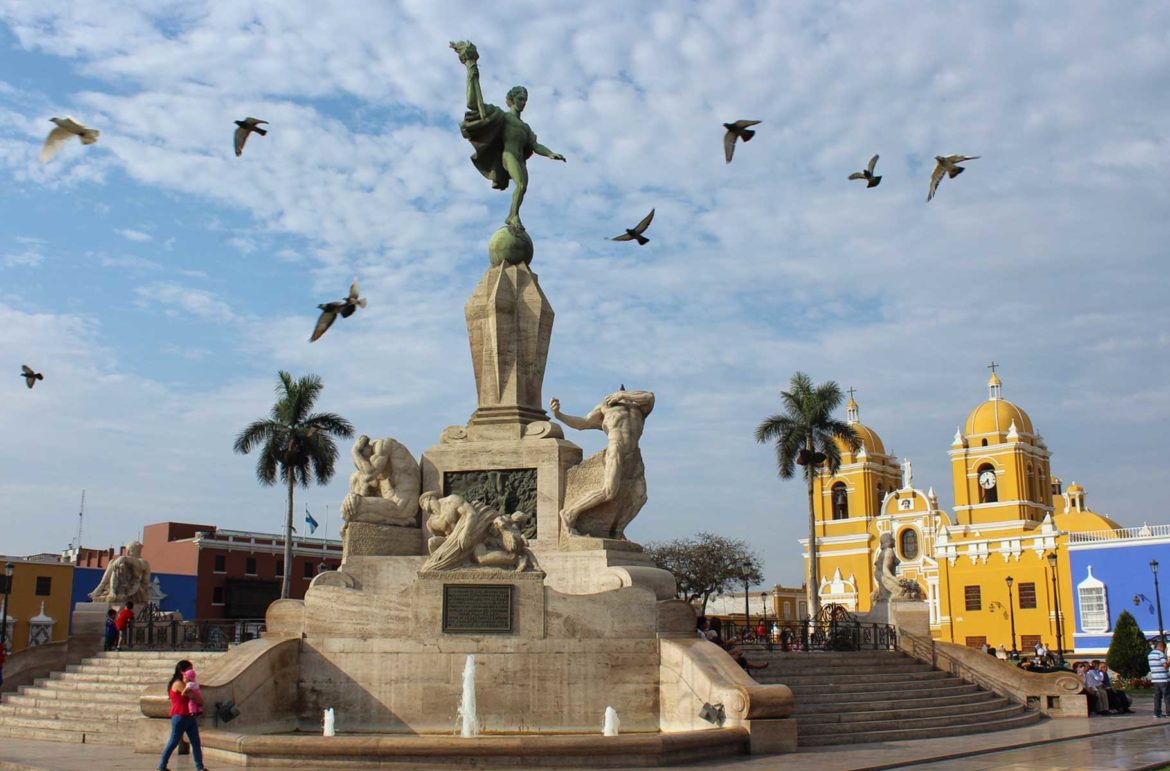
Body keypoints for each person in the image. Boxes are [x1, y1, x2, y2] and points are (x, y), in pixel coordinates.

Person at [451, 40, 566, 231]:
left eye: (525, 100)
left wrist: (551, 153)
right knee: (520, 184)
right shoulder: (502, 116)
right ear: (511, 100)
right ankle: (513, 216)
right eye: (520, 99)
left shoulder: (525, 127)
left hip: (520, 158)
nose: (523, 103)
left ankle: (513, 215)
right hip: (508, 155)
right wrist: (472, 71)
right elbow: (473, 103)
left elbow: (536, 145)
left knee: (523, 188)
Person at [158, 659, 207, 771]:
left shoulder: (186, 683)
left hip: (189, 716)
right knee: (173, 742)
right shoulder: (178, 684)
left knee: (196, 742)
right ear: (183, 671)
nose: (192, 671)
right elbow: (194, 698)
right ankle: (162, 766)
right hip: (180, 716)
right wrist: (199, 699)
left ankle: (200, 767)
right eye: (189, 669)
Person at [1149, 639, 1170, 718]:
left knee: (1157, 697)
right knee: (1167, 696)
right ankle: (1169, 713)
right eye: (1164, 648)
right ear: (1162, 647)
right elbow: (1165, 666)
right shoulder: (1160, 654)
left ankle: (1157, 713)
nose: (1165, 650)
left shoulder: (1150, 654)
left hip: (1155, 679)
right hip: (1164, 679)